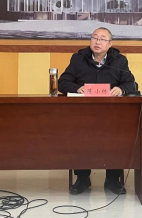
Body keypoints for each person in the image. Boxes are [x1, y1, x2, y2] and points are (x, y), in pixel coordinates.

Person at [58, 27, 137, 195]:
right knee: (80, 136)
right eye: (94, 38)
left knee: (117, 137)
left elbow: (131, 84)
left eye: (102, 39)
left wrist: (121, 89)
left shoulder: (120, 61)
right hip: (83, 113)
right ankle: (82, 178)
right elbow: (63, 82)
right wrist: (77, 88)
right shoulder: (78, 58)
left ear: (110, 44)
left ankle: (112, 179)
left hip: (112, 114)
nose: (97, 42)